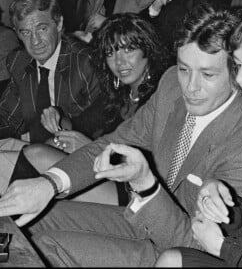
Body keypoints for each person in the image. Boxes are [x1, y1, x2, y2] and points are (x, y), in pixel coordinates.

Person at [0, 4, 242, 267]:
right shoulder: (171, 84)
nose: (191, 87)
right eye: (185, 69)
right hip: (141, 219)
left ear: (236, 73)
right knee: (31, 219)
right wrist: (49, 184)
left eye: (208, 74)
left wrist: (147, 185)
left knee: (48, 245)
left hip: (178, 248)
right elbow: (111, 144)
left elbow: (199, 248)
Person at [155, 4, 242, 267]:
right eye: (238, 65)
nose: (241, 78)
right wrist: (221, 198)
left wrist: (225, 248)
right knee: (172, 260)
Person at [17, 12, 170, 205]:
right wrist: (57, 117)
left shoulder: (161, 95)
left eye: (128, 50)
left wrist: (92, 148)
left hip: (135, 188)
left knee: (36, 154)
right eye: (110, 53)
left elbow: (153, 161)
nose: (119, 62)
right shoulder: (118, 94)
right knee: (52, 143)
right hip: (107, 173)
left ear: (148, 50)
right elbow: (79, 125)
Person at [0, 0, 100, 192]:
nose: (35, 41)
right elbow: (7, 119)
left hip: (82, 163)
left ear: (59, 24)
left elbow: (97, 131)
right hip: (36, 155)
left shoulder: (85, 63)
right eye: (25, 33)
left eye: (42, 28)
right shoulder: (19, 61)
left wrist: (61, 124)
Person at [143, 0, 233, 61]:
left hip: (181, 58)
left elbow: (197, 28)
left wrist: (169, 1)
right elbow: (143, 25)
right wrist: (157, 5)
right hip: (159, 53)